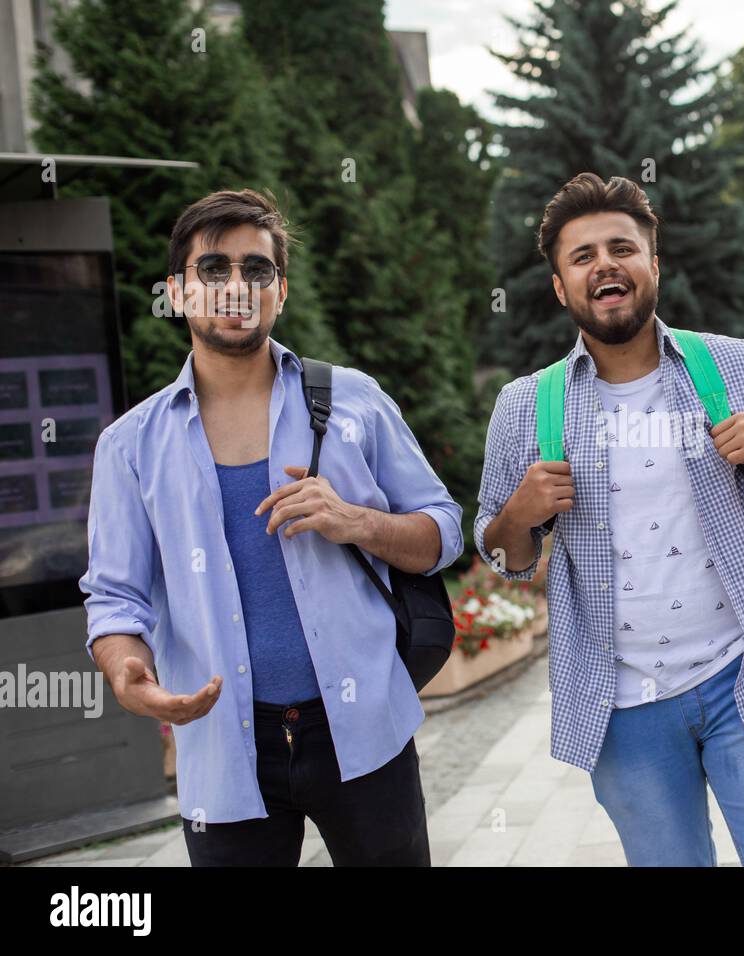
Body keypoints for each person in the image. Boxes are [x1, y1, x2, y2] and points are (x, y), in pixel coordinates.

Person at [79, 189, 463, 866]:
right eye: (214, 269)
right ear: (176, 291)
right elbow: (115, 598)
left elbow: (444, 534)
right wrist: (126, 670)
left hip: (363, 728)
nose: (236, 287)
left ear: (278, 292)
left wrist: (360, 522)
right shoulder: (129, 446)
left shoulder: (353, 401)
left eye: (256, 270)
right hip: (223, 746)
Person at [475, 173, 744, 866]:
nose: (604, 265)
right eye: (582, 257)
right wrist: (518, 516)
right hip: (623, 708)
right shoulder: (526, 406)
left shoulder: (732, 365)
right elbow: (504, 552)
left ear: (653, 266)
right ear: (560, 287)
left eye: (622, 247)